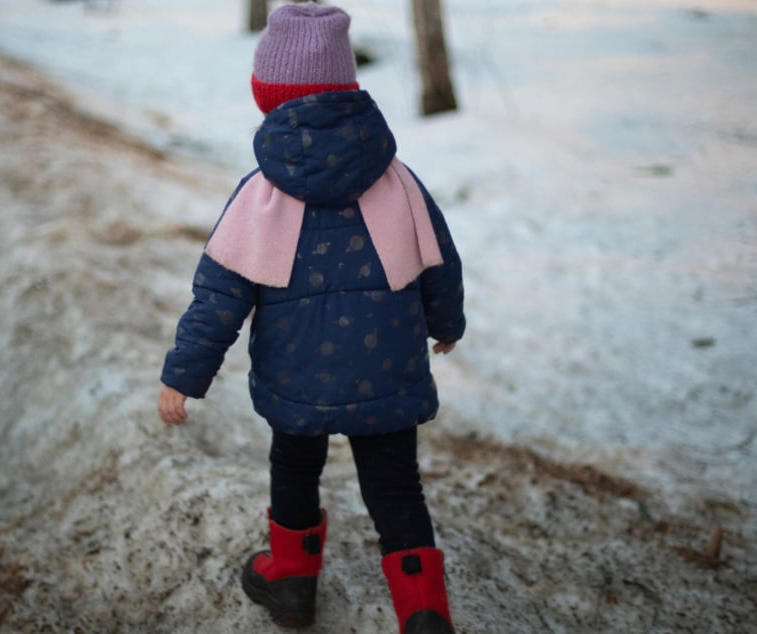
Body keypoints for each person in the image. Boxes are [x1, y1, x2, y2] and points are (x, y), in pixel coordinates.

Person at [157, 4, 465, 633]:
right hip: (388, 369)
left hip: (298, 379)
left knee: (295, 468)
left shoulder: (259, 193)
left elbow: (220, 295)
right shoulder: (398, 180)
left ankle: (292, 582)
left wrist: (184, 374)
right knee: (397, 486)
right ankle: (425, 611)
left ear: (268, 98)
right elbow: (439, 259)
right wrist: (447, 323)